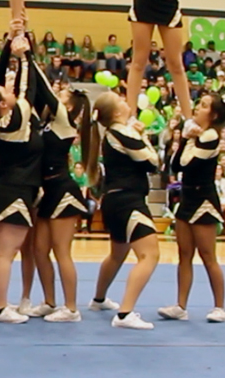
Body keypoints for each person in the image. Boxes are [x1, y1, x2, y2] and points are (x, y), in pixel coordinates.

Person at [0, 26, 47, 324]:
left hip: (3, 188)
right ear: (4, 103)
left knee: (0, 252)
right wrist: (25, 54)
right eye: (6, 93)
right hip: (17, 190)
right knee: (6, 253)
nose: (8, 88)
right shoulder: (16, 117)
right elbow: (28, 85)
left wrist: (8, 45)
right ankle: (0, 308)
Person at [88, 91, 161, 330]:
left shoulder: (112, 133)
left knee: (117, 254)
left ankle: (98, 299)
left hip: (115, 200)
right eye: (120, 100)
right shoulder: (122, 131)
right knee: (149, 255)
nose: (125, 100)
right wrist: (143, 135)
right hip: (128, 200)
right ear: (117, 113)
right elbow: (152, 163)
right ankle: (124, 314)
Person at [159, 94, 225, 324]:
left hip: (203, 200)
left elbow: (188, 165)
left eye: (202, 106)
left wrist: (189, 138)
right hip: (187, 196)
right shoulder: (196, 135)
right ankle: (181, 305)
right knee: (184, 255)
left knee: (208, 256)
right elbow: (175, 165)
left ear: (214, 115)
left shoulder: (211, 136)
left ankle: (220, 306)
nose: (197, 108)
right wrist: (183, 138)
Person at [32, 74, 93, 323]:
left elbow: (45, 92)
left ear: (68, 106)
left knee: (61, 251)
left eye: (62, 96)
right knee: (39, 250)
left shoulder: (65, 122)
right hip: (47, 189)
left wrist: (28, 55)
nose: (56, 97)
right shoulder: (48, 122)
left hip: (63, 190)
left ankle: (71, 307)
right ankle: (49, 301)